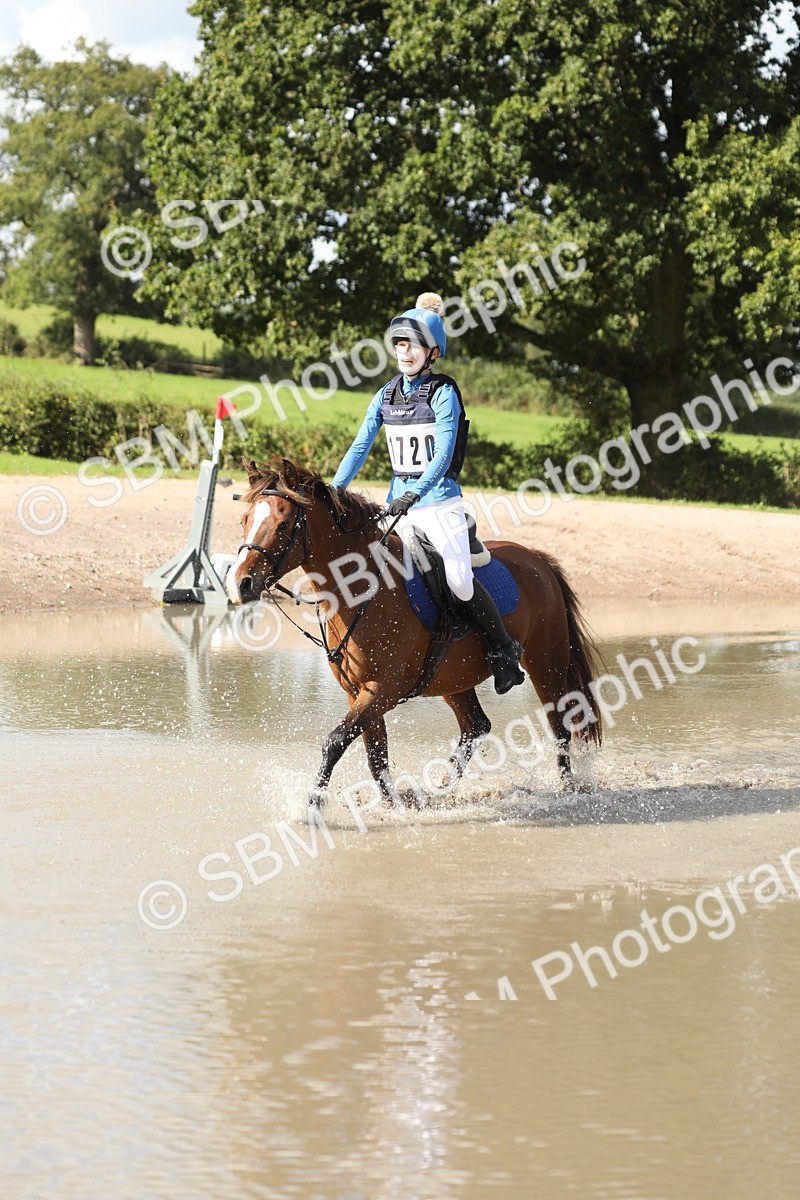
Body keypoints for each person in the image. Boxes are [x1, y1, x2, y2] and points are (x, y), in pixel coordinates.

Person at [330, 292, 525, 694]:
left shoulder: (443, 393)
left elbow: (442, 457)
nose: (405, 352)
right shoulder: (385, 395)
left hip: (438, 503)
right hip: (397, 504)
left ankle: (505, 651)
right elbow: (359, 447)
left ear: (432, 351)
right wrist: (334, 490)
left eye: (414, 345)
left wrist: (415, 493)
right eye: (400, 344)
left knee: (459, 579)